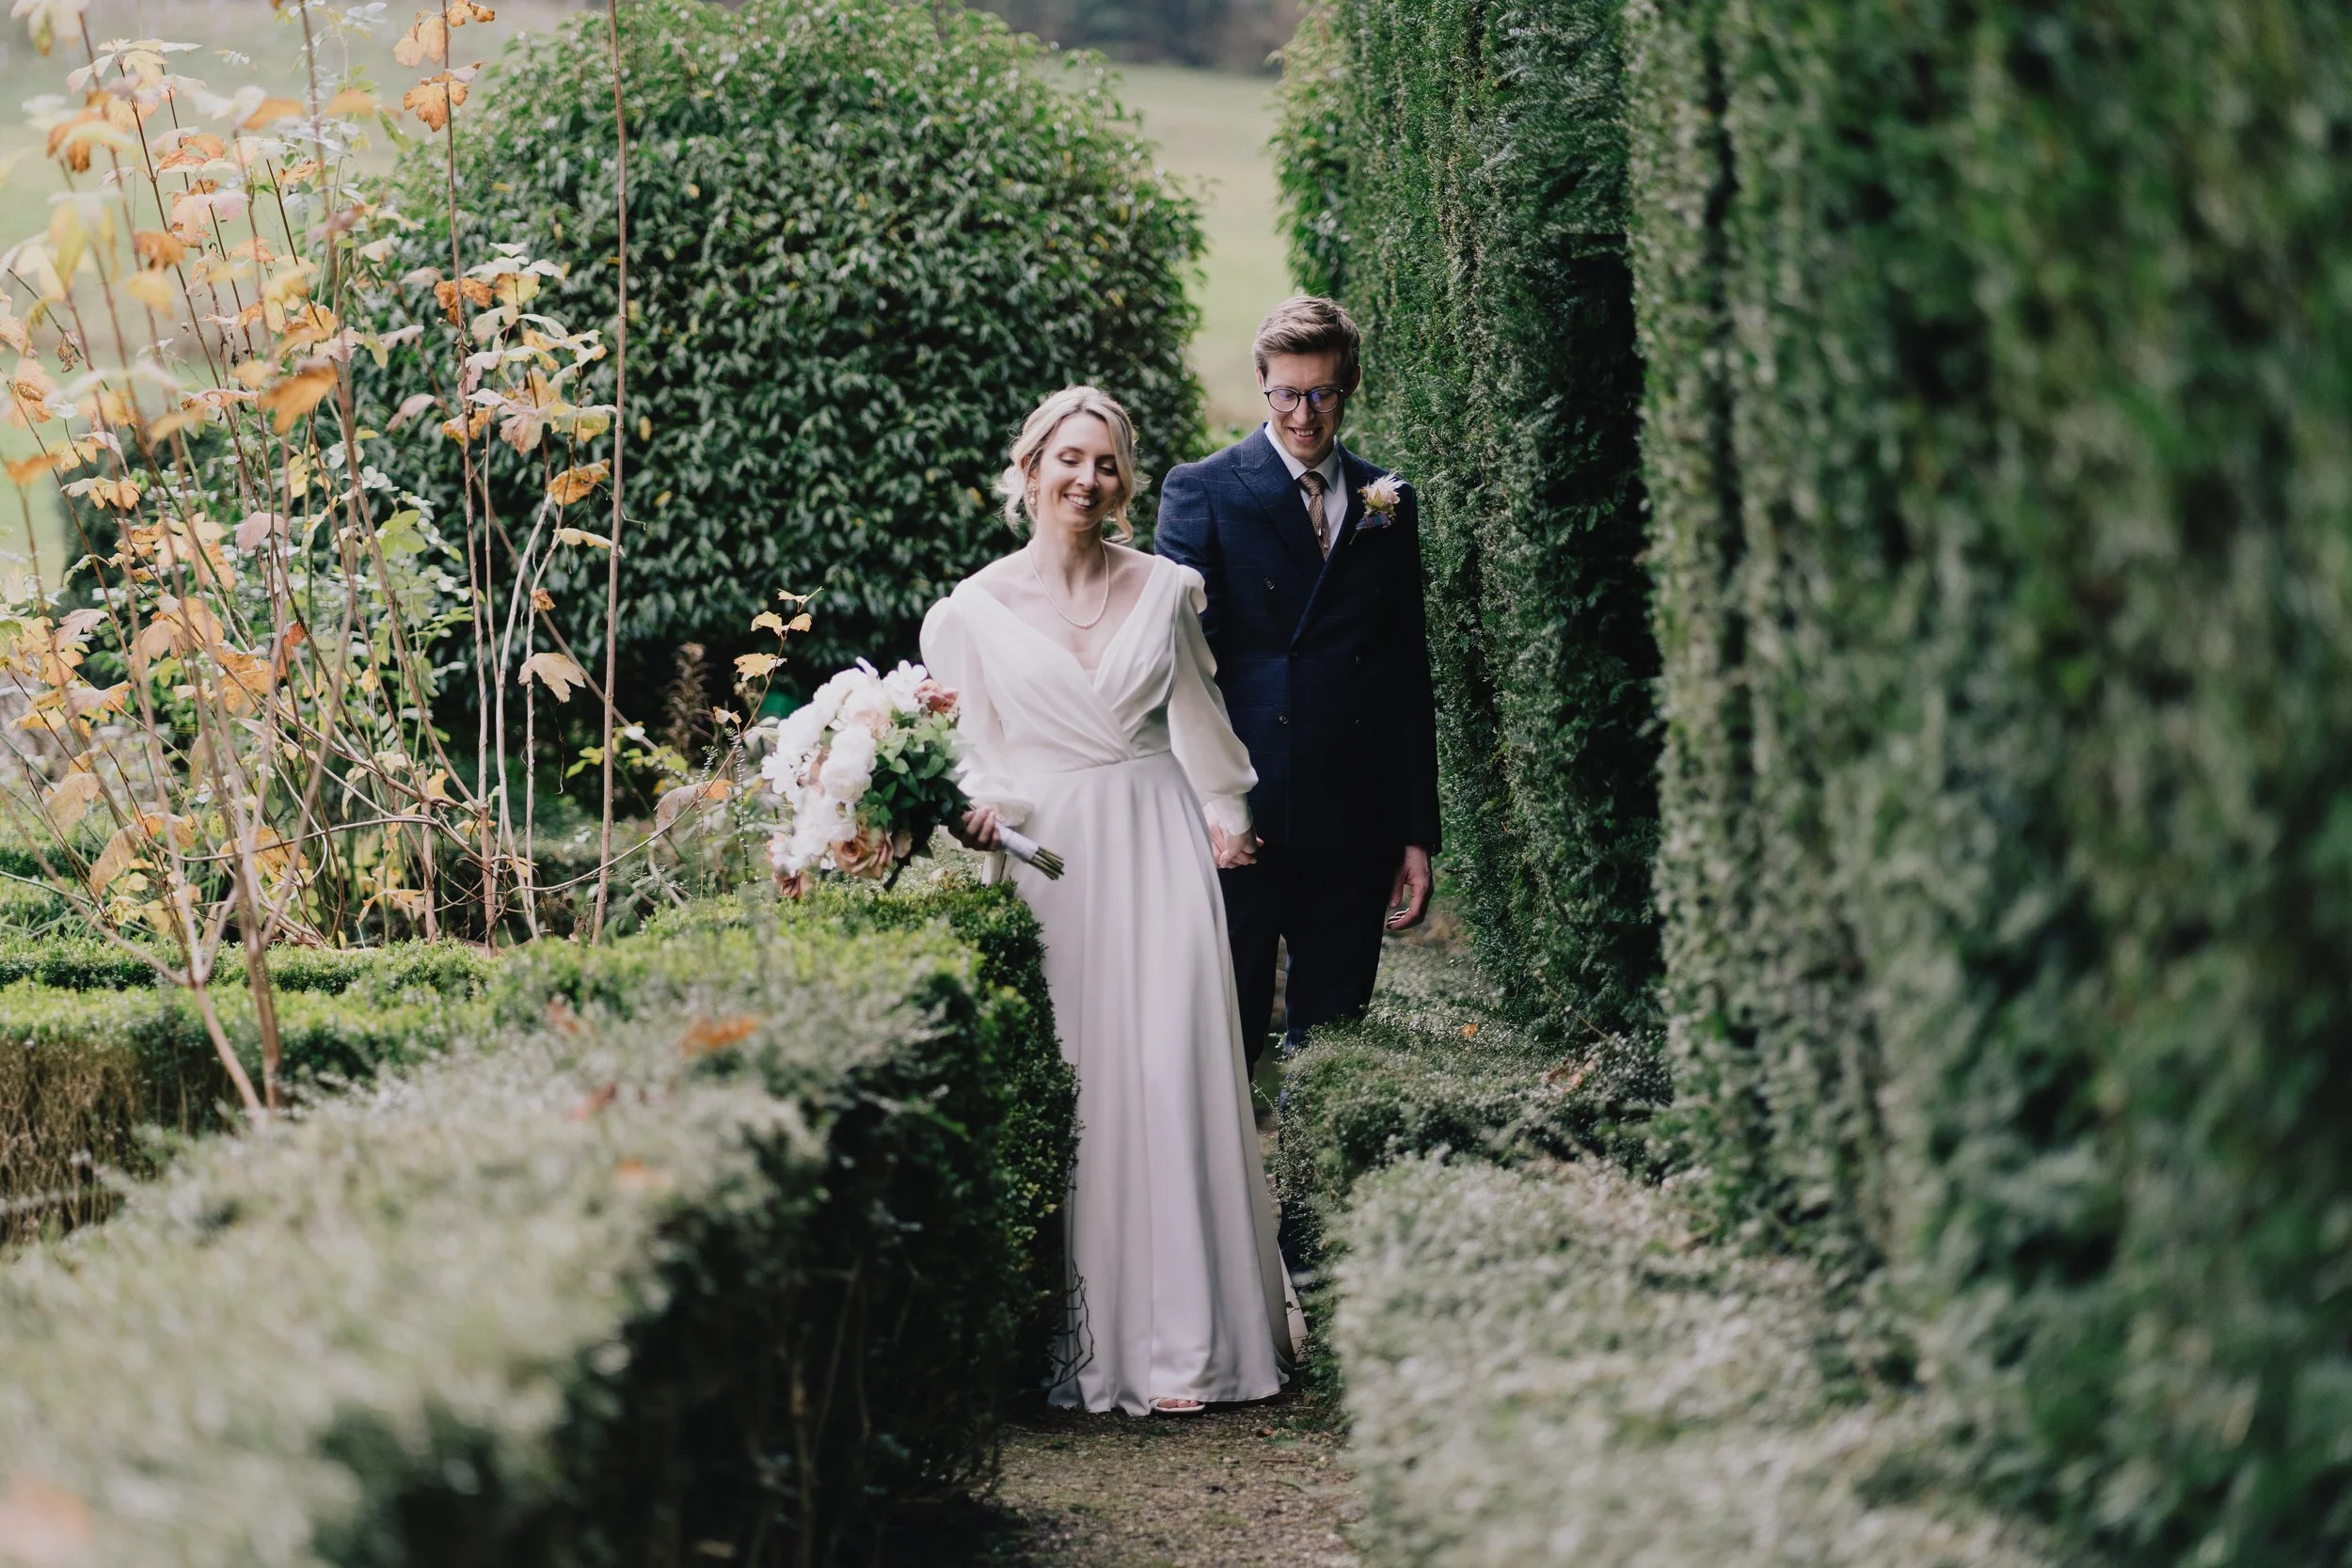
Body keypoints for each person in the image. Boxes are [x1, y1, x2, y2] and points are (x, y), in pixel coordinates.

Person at [919, 386, 1291, 1418]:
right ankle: (1073, 1334)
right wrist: (978, 811)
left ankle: (1186, 1343)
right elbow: (971, 754)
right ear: (1030, 467)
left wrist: (1229, 811)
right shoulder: (970, 610)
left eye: (1109, 463)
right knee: (1076, 1078)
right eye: (1069, 459)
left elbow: (1200, 720)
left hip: (1158, 844)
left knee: (1170, 1065)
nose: (1088, 479)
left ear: (1125, 480)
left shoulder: (1169, 588)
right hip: (1054, 863)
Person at [1154, 296, 1440, 1069]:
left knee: (1332, 1051)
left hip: (1356, 818)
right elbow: (1180, 663)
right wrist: (1211, 805)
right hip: (1240, 818)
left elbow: (1405, 671)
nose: (1304, 415)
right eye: (1286, 392)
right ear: (1261, 383)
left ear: (1348, 386)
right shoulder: (1202, 489)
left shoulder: (1391, 500)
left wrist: (1416, 833)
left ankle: (1317, 1194)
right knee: (1224, 1052)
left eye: (1322, 394)